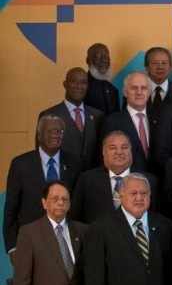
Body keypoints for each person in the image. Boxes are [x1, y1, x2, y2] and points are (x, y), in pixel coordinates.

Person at [5, 115, 83, 255]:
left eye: (59, 132)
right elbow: (11, 210)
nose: (55, 135)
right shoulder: (20, 164)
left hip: (66, 241)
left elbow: (78, 204)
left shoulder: (74, 164)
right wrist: (13, 248)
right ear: (39, 134)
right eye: (49, 131)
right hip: (31, 243)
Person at [70, 131, 158, 224]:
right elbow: (75, 219)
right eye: (113, 148)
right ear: (104, 152)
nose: (119, 152)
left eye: (124, 147)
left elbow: (156, 219)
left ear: (131, 150)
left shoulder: (148, 180)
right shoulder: (87, 180)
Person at [39, 67, 103, 168]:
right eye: (74, 82)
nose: (79, 86)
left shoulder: (98, 116)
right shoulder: (48, 115)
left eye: (83, 82)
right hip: (62, 180)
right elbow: (42, 156)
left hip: (91, 180)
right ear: (65, 84)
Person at [100, 72, 154, 171]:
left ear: (149, 92)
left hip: (156, 182)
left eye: (143, 88)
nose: (139, 92)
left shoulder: (159, 119)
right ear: (125, 92)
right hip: (127, 182)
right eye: (134, 88)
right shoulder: (111, 122)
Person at [143, 47, 172, 125]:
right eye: (155, 63)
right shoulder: (135, 90)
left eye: (164, 63)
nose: (160, 67)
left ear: (170, 67)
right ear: (146, 67)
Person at [84, 43, 121, 115]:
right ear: (88, 60)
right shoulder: (82, 86)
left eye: (107, 57)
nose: (104, 60)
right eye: (99, 57)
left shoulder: (113, 89)